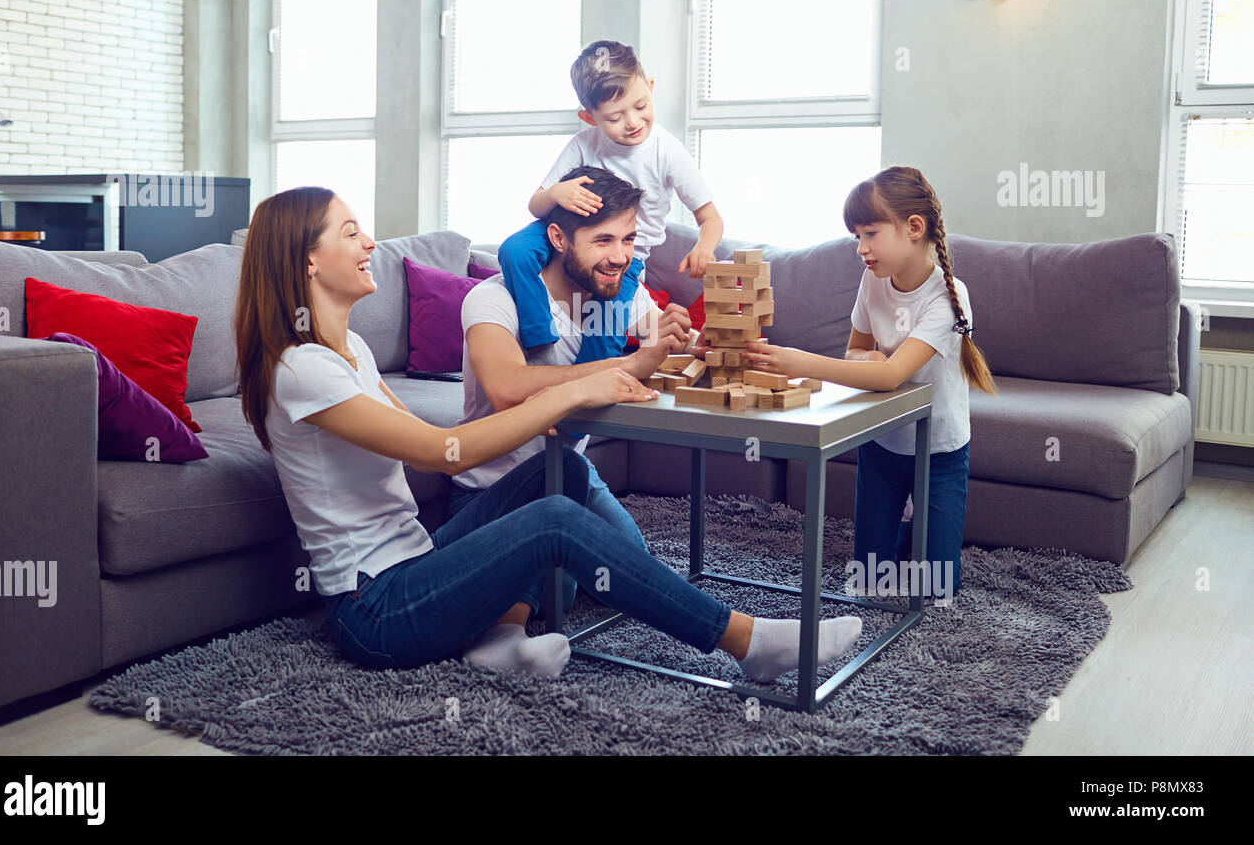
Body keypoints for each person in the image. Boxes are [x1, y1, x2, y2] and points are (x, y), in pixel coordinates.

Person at [234, 186, 863, 683]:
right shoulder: (302, 368)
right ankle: (748, 642)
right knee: (557, 521)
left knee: (552, 473)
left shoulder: (350, 352)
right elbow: (441, 453)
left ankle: (496, 640)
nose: (370, 241)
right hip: (372, 610)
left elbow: (425, 433)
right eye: (350, 233)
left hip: (416, 561)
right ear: (308, 258)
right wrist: (569, 391)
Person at [452, 165, 699, 616]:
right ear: (559, 239)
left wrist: (695, 339)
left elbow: (664, 341)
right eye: (603, 241)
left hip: (570, 473)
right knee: (557, 596)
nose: (620, 256)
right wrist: (628, 363)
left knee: (632, 567)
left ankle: (539, 564)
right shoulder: (493, 299)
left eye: (627, 239)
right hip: (493, 487)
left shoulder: (616, 291)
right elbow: (507, 387)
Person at [740, 167, 997, 600]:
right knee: (866, 581)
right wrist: (867, 358)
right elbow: (855, 353)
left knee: (935, 591)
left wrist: (801, 361)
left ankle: (920, 534)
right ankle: (908, 539)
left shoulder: (948, 295)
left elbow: (892, 373)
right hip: (882, 442)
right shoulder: (872, 281)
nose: (861, 248)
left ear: (914, 228)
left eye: (870, 234)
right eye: (857, 236)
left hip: (938, 448)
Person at [498, 39, 724, 362]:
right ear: (589, 118)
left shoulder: (667, 152)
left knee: (604, 325)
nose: (632, 122)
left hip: (622, 258)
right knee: (514, 250)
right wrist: (556, 193)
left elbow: (711, 218)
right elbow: (536, 205)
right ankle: (538, 335)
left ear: (650, 87)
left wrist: (704, 247)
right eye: (615, 117)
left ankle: (597, 377)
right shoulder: (581, 145)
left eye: (641, 105)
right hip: (566, 238)